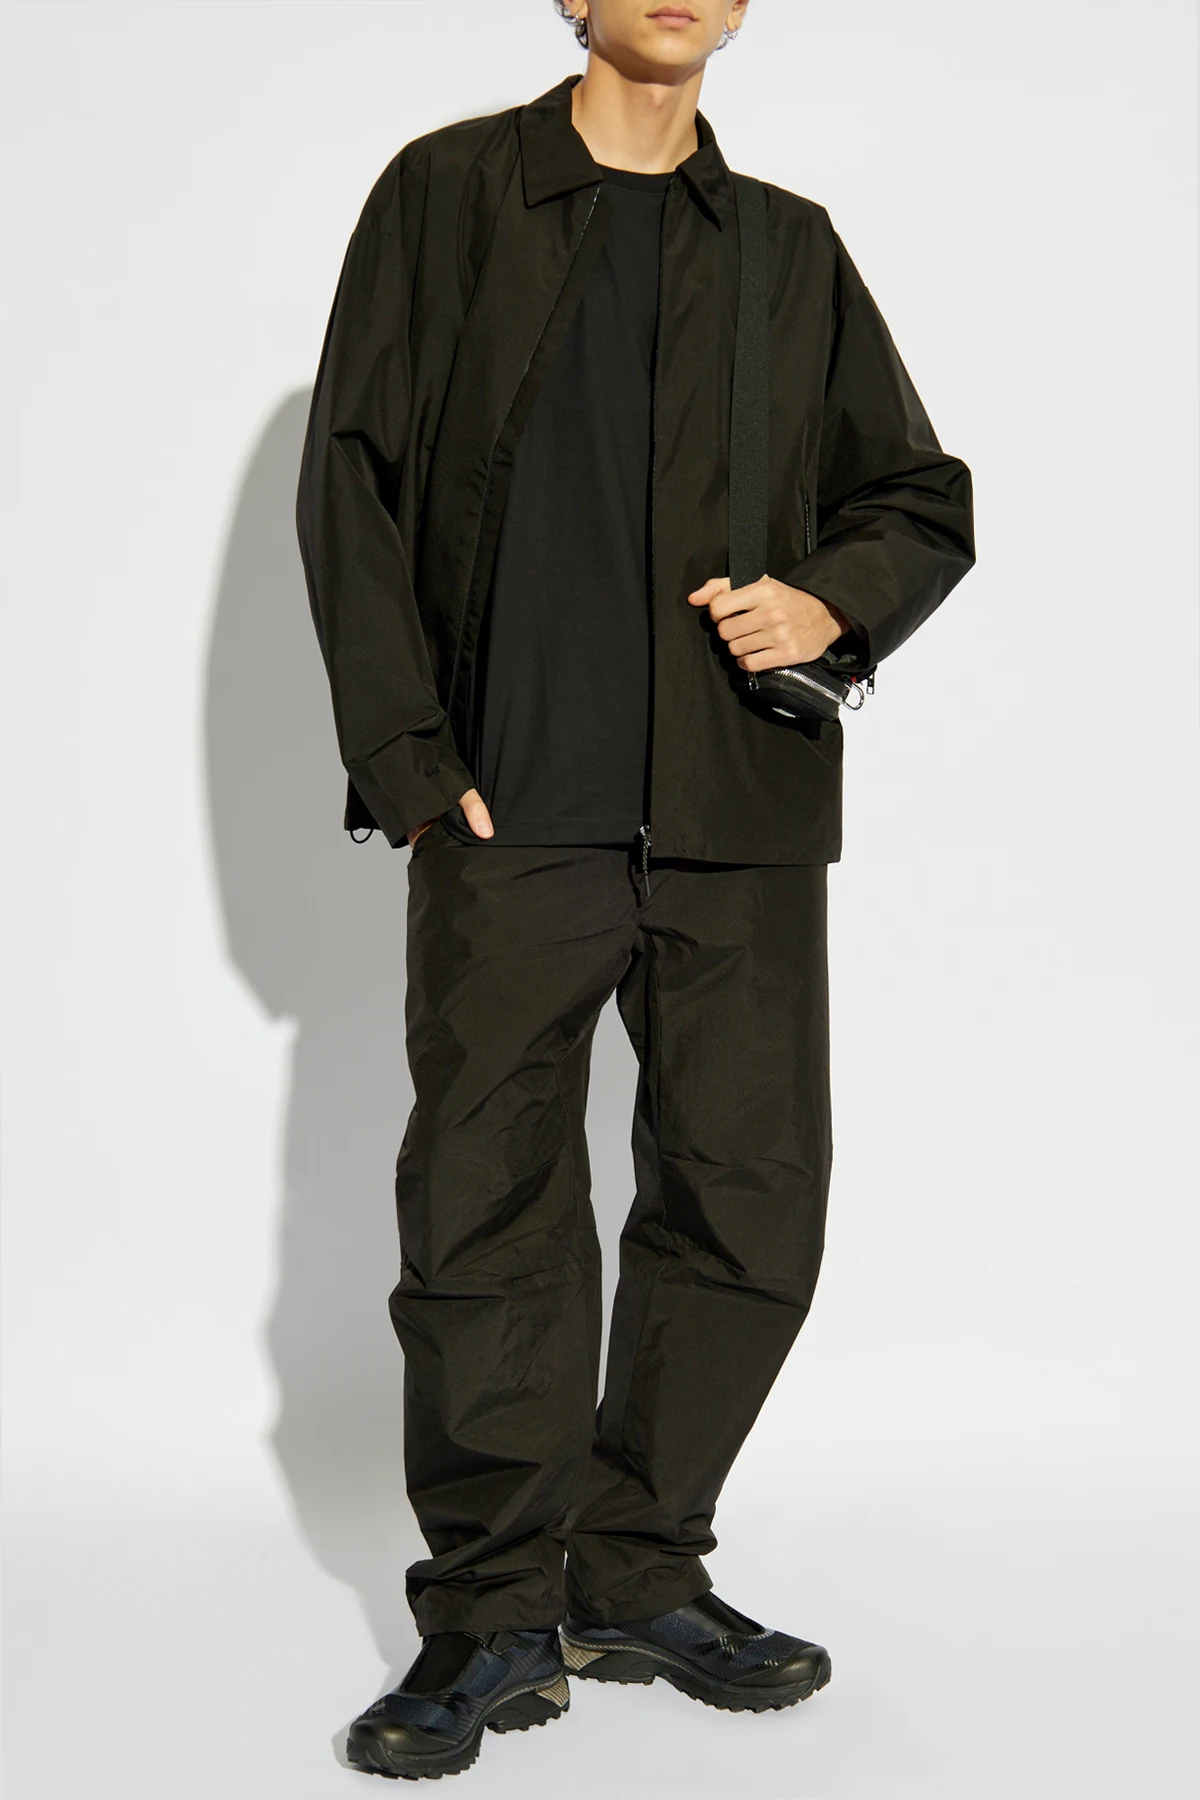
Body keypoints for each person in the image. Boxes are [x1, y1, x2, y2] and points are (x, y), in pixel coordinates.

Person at [295, 0, 975, 1780]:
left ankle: (638, 1568)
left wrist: (830, 601)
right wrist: (409, 758)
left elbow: (918, 495)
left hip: (740, 807)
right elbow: (351, 476)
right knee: (486, 1207)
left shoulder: (789, 250)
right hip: (512, 804)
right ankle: (492, 1612)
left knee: (749, 1201)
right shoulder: (448, 196)